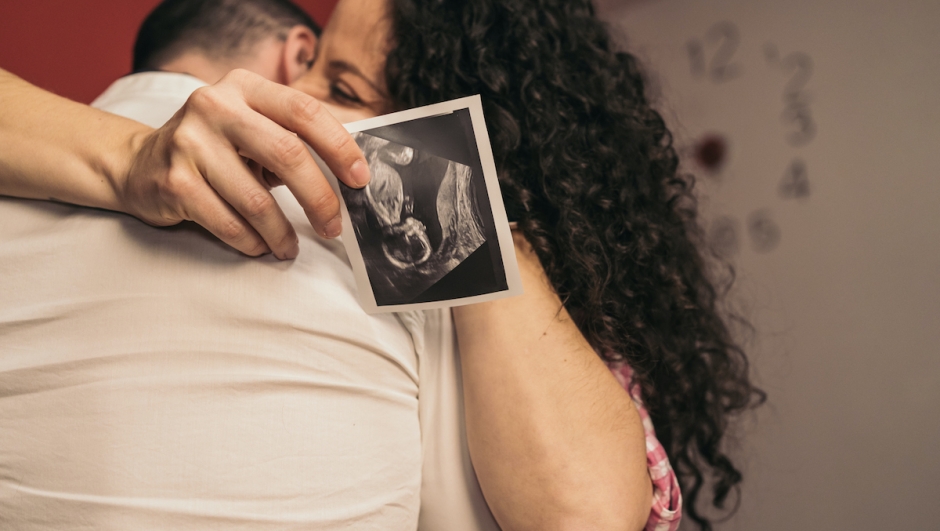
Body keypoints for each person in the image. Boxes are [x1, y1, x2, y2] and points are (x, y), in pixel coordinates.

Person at [0, 1, 765, 531]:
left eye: (342, 90)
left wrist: (454, 197)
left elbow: (582, 509)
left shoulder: (435, 244)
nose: (299, 108)